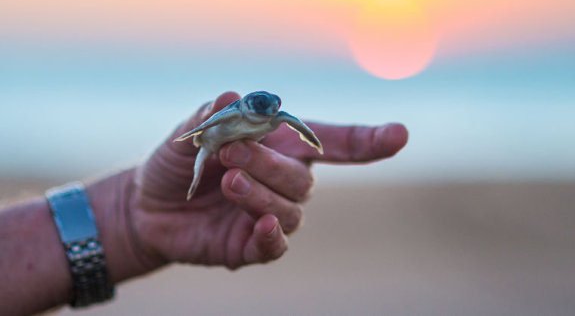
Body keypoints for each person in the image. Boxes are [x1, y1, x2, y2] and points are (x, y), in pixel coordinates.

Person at [0, 91, 408, 314]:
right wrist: (189, 135)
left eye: (273, 108)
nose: (267, 111)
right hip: (210, 142)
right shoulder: (230, 113)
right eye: (258, 105)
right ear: (247, 104)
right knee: (199, 164)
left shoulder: (277, 118)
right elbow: (210, 123)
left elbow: (292, 123)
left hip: (175, 194)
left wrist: (124, 222)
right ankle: (194, 180)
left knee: (243, 168)